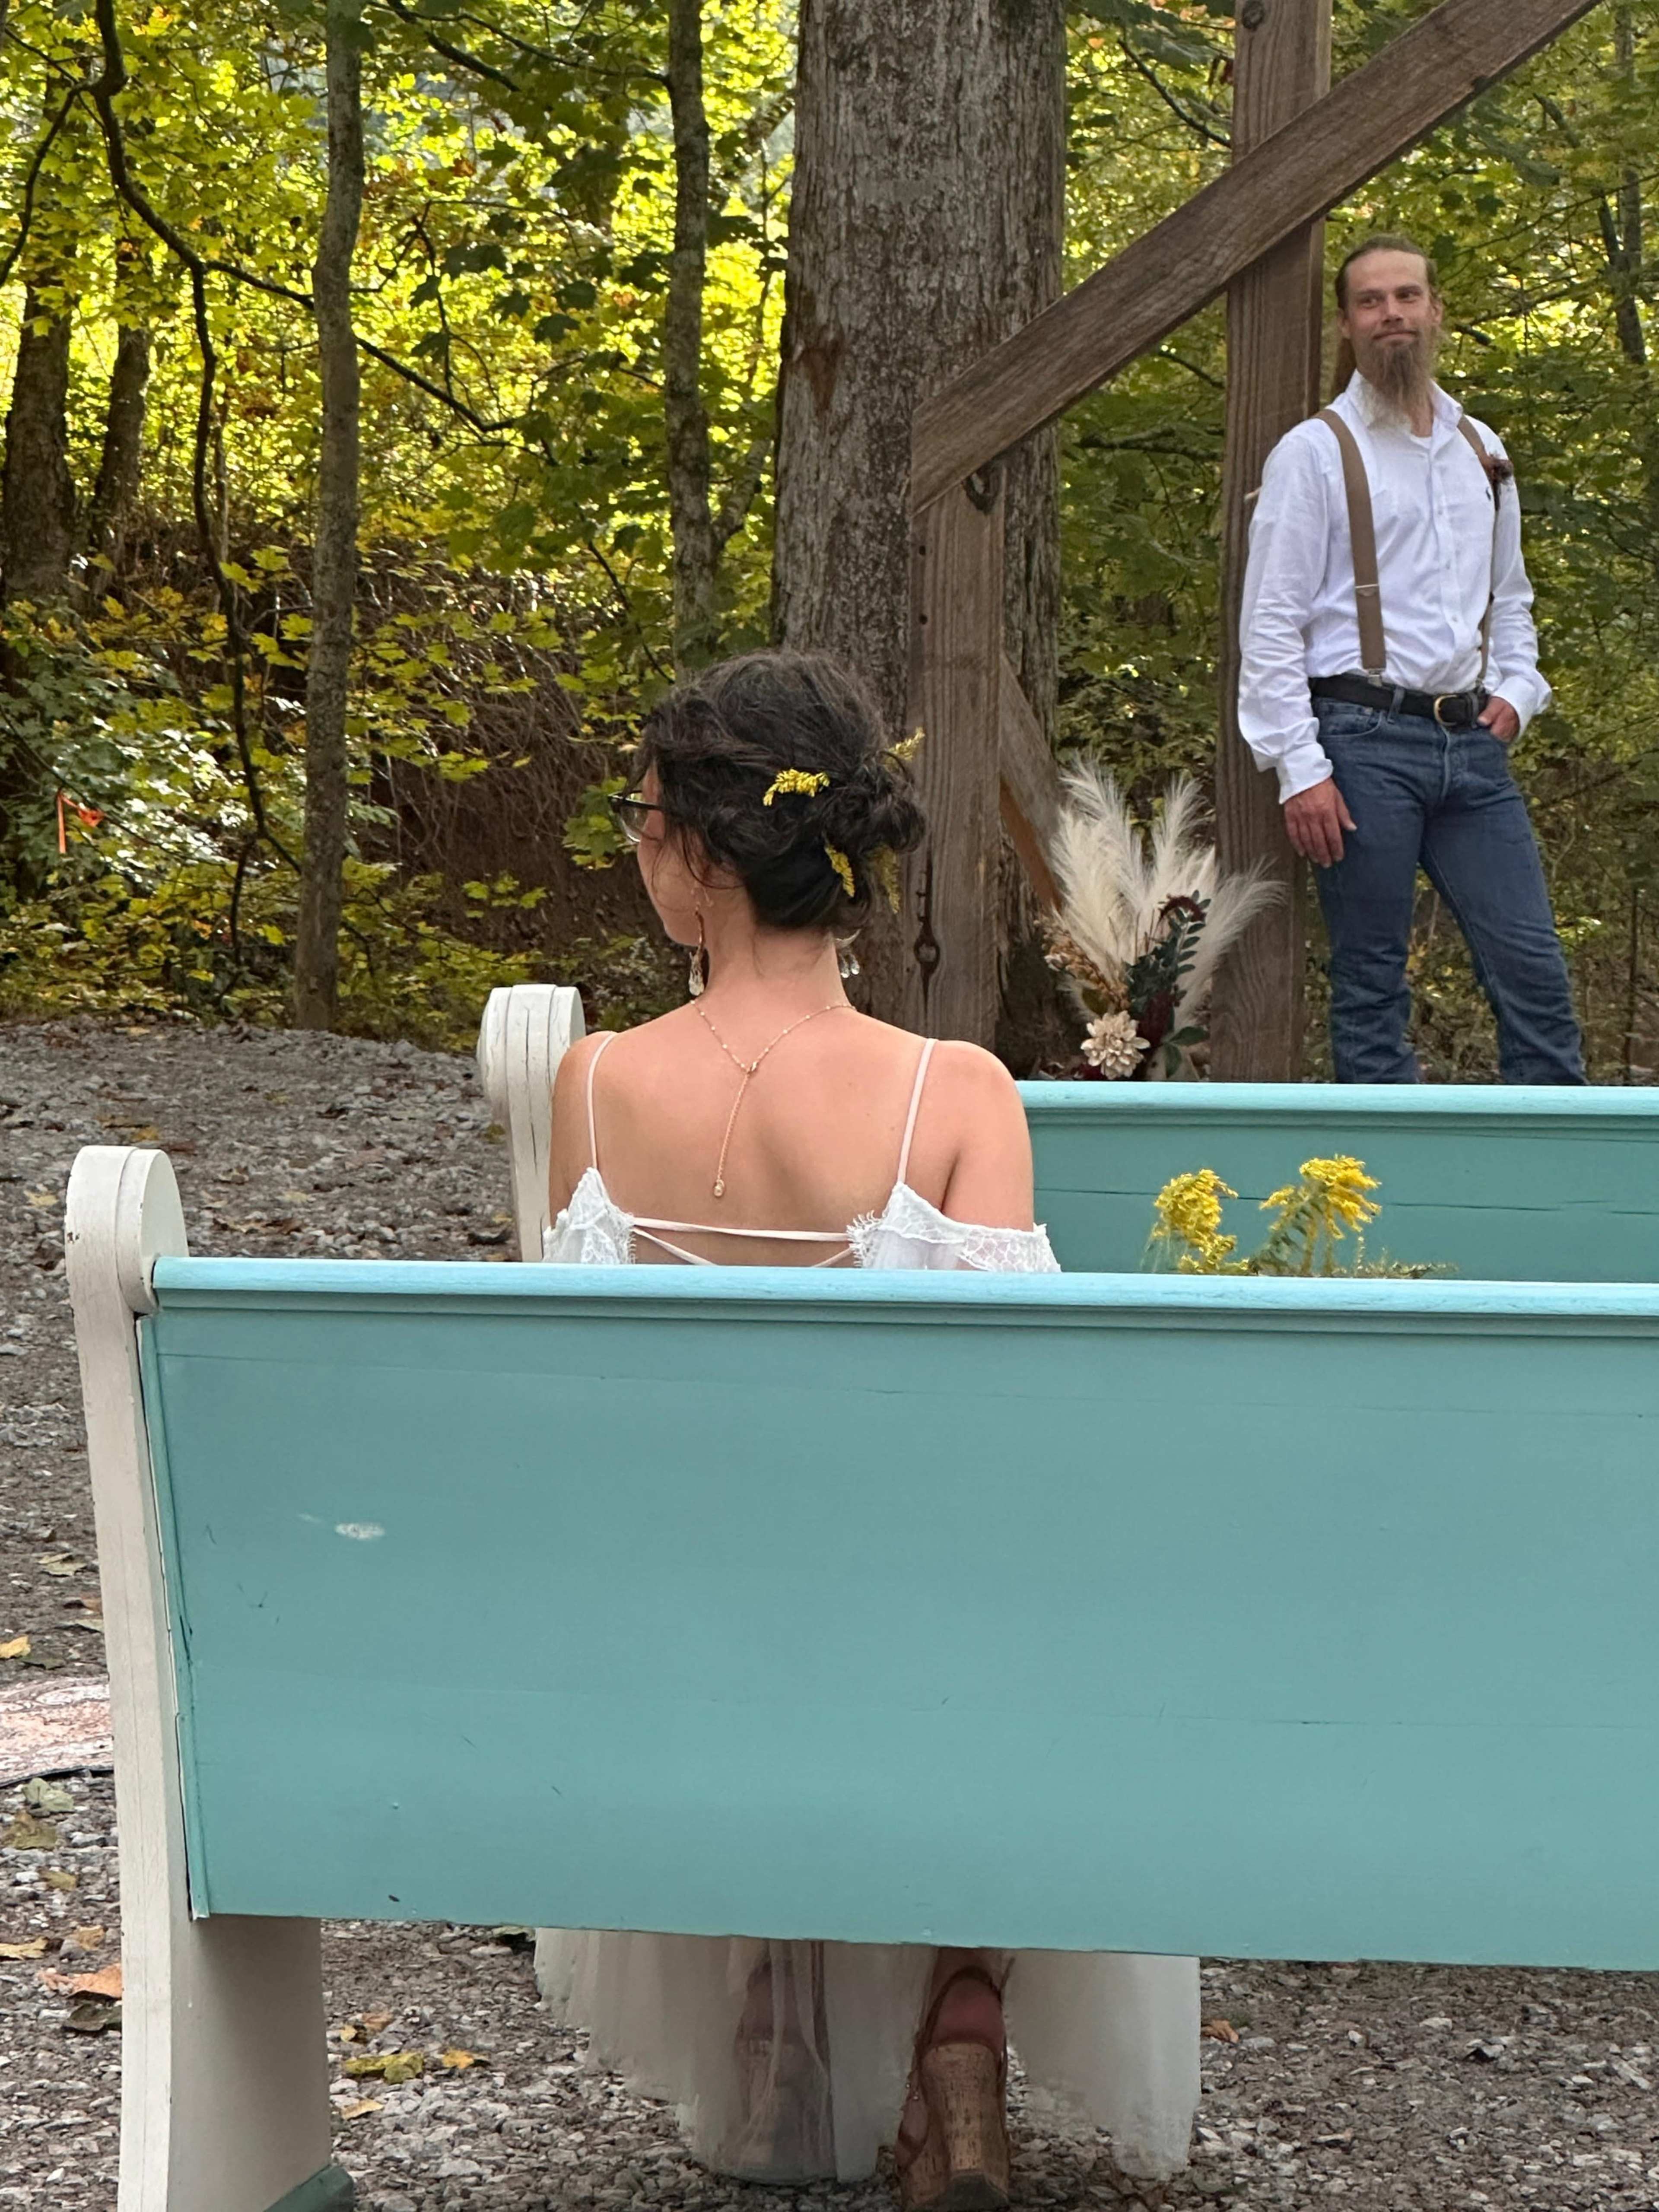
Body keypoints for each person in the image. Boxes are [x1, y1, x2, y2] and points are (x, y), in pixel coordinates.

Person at [535, 648, 1199, 2205]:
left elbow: (585, 1416)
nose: (638, 848)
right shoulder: (956, 1096)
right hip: (915, 1630)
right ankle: (960, 2017)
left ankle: (777, 2031)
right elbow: (1012, 1442)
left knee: (731, 1567)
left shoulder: (593, 1085)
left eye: (642, 819)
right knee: (993, 1593)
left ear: (706, 854)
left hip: (685, 1626)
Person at [1237, 232, 1584, 1084]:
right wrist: (1299, 766)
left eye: (1406, 296)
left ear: (1436, 311)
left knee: (1533, 970)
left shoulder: (1481, 450)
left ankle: (1561, 1191)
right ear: (1347, 326)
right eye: (1370, 301)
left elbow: (1511, 598)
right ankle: (1380, 1197)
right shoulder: (1314, 453)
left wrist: (1519, 688)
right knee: (1370, 980)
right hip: (1360, 742)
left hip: (1473, 747)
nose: (1391, 313)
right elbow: (1271, 623)